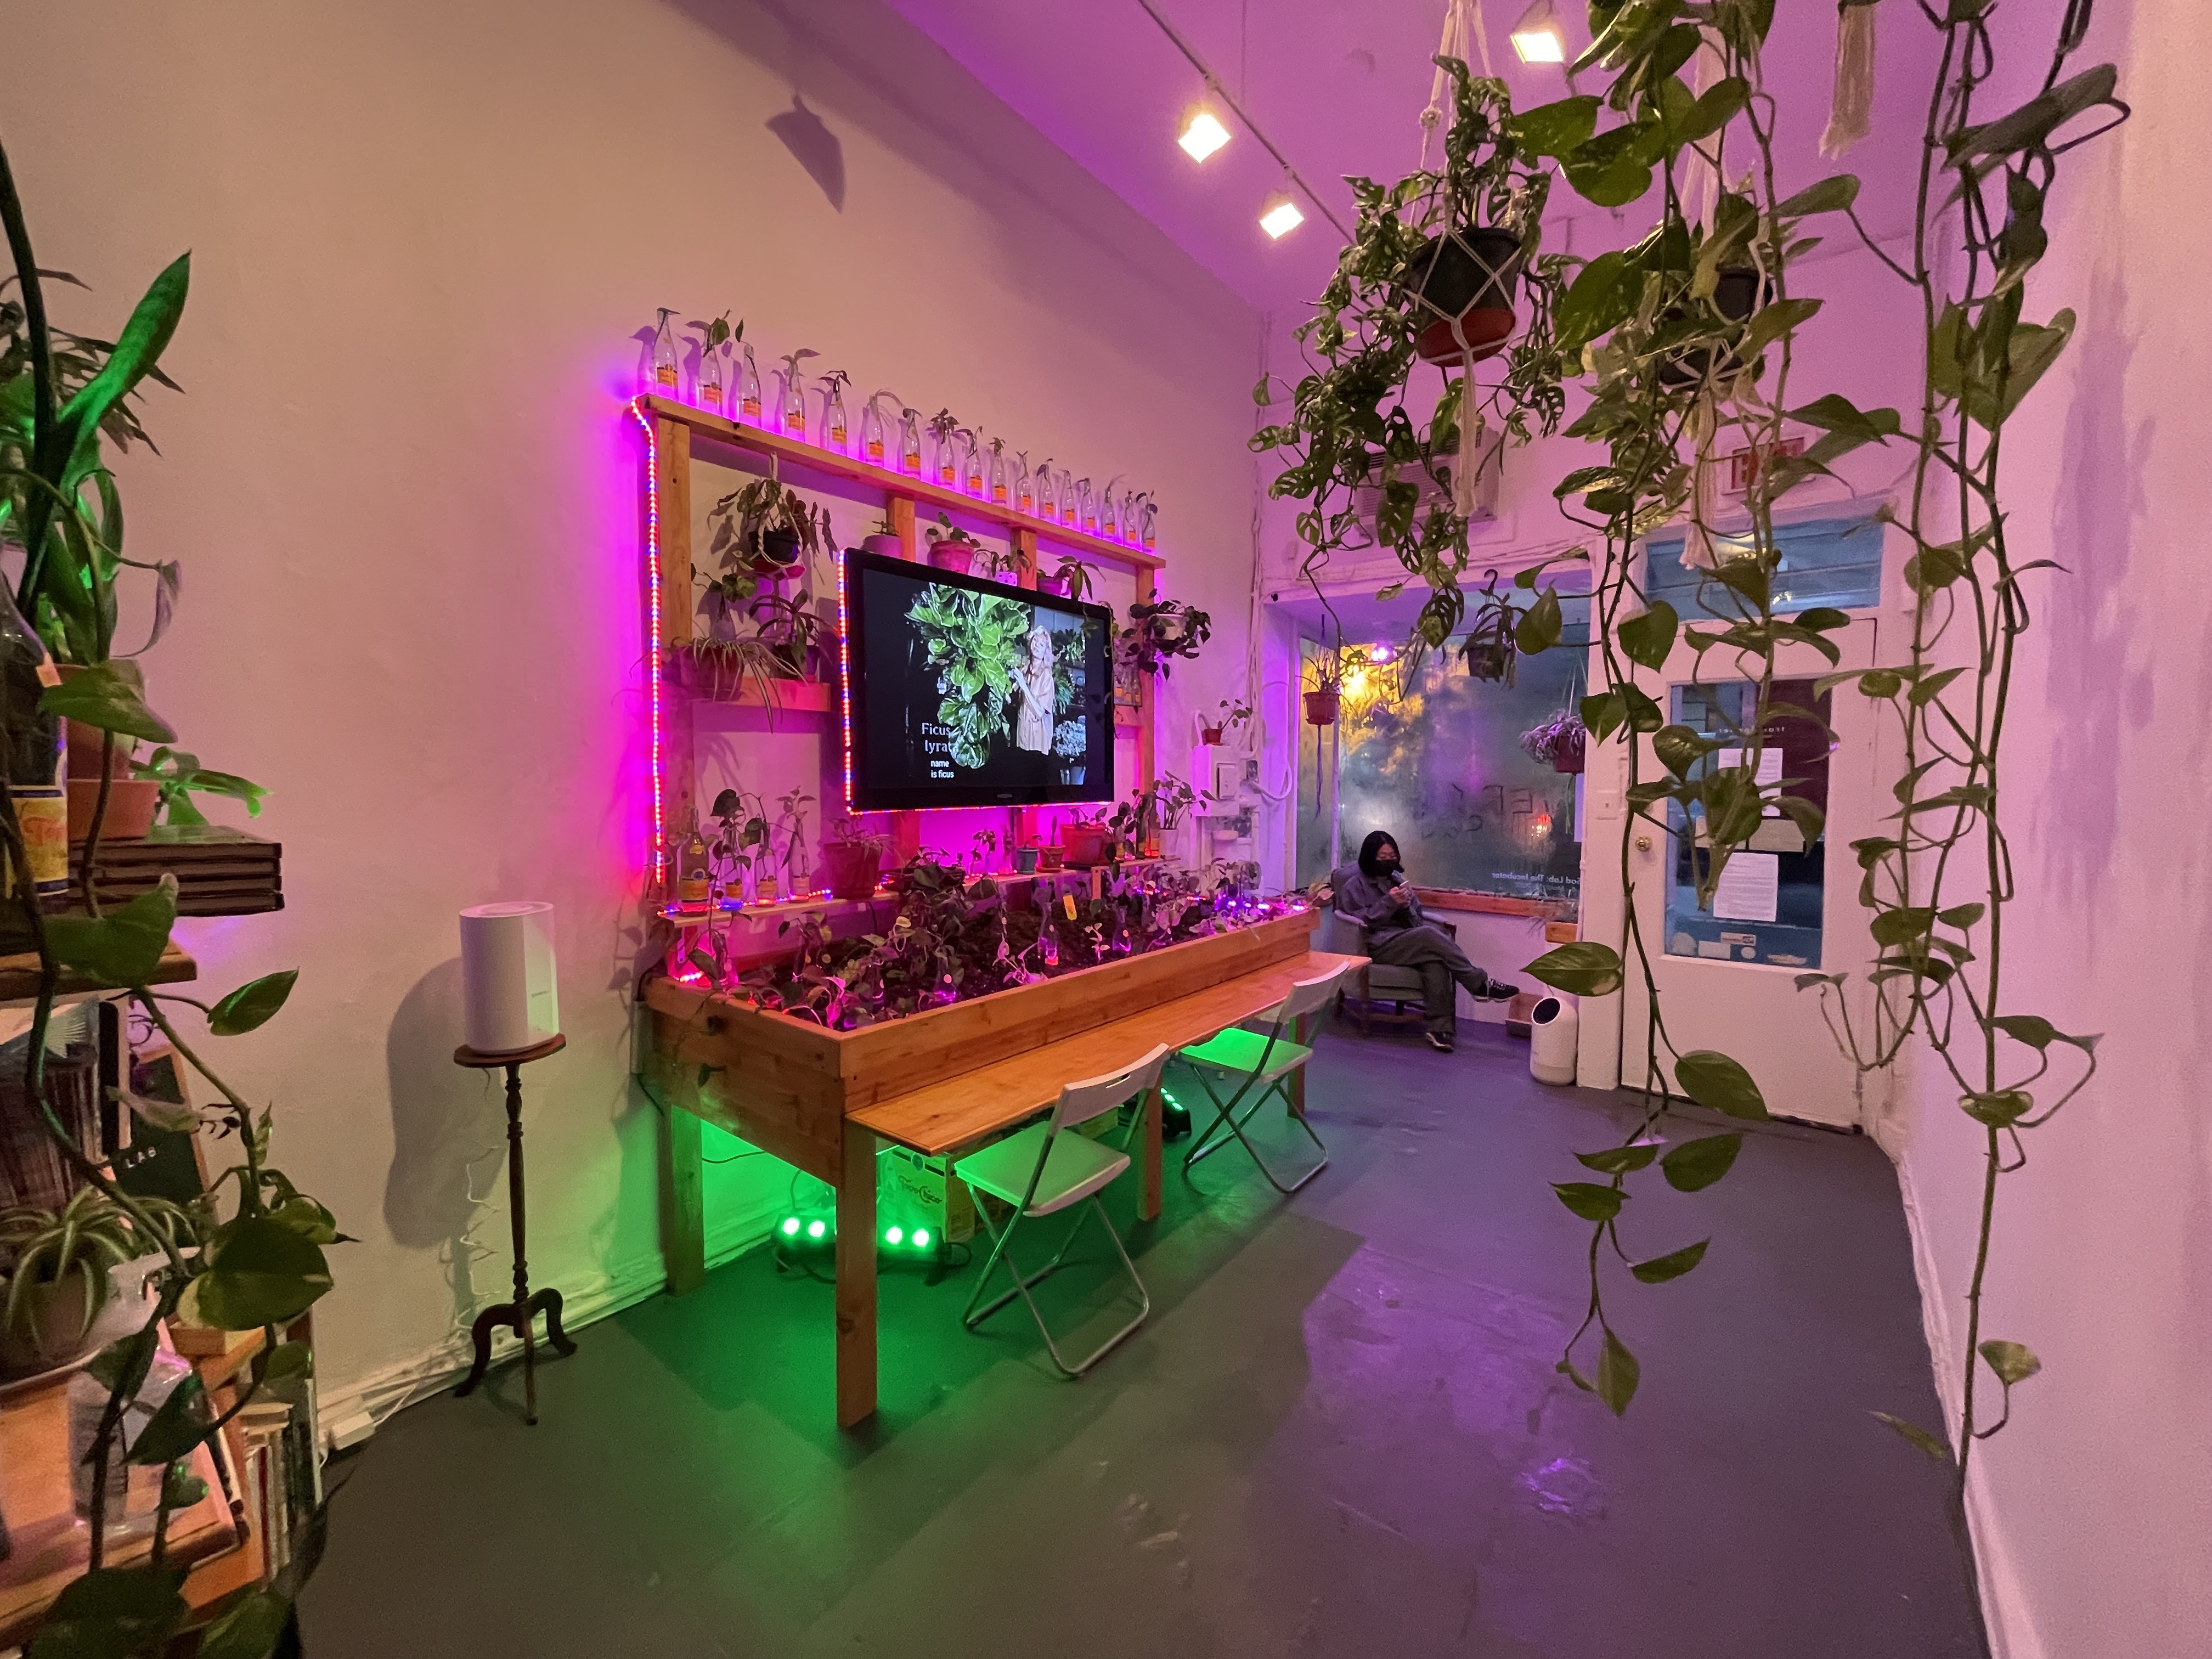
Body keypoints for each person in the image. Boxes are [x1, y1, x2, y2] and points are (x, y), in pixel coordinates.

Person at [1331, 830, 1517, 1052]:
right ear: (1370, 857)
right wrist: (1388, 903)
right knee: (1429, 936)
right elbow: (1361, 924)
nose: (1389, 861)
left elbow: (1417, 918)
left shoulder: (1396, 880)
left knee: (1436, 961)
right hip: (1375, 946)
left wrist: (1406, 905)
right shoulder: (1355, 886)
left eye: (1392, 857)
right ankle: (1478, 983)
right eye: (1382, 858)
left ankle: (1440, 1030)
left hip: (1406, 941)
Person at [1013, 623, 1056, 754]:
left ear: (1046, 652)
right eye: (1035, 641)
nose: (1037, 645)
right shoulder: (1025, 669)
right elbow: (1013, 697)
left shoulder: (1047, 677)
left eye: (1042, 644)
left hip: (1037, 738)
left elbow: (1040, 712)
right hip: (1022, 734)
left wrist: (1023, 684)